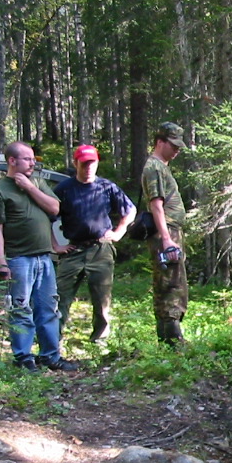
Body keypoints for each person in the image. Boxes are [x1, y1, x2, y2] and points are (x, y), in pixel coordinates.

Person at [0, 142, 78, 371]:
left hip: (44, 257)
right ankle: (23, 358)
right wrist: (1, 262)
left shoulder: (38, 182)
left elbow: (54, 208)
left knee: (48, 308)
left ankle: (50, 356)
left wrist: (30, 187)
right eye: (27, 159)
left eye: (33, 159)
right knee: (21, 308)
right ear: (12, 161)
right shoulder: (0, 190)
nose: (33, 163)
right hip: (18, 259)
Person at [54, 144, 137, 343]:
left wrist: (119, 232)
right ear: (76, 163)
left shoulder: (106, 187)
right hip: (73, 249)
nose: (89, 167)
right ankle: (52, 341)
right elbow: (46, 216)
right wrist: (55, 246)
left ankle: (99, 340)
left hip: (100, 248)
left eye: (92, 163)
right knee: (60, 296)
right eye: (84, 163)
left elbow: (130, 210)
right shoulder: (64, 189)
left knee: (102, 299)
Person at [141, 122, 188, 345]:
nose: (176, 150)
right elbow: (156, 204)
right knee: (172, 284)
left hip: (169, 231)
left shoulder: (161, 167)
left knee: (167, 283)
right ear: (160, 142)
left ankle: (166, 340)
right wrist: (167, 239)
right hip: (166, 232)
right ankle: (173, 340)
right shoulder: (155, 168)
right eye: (173, 145)